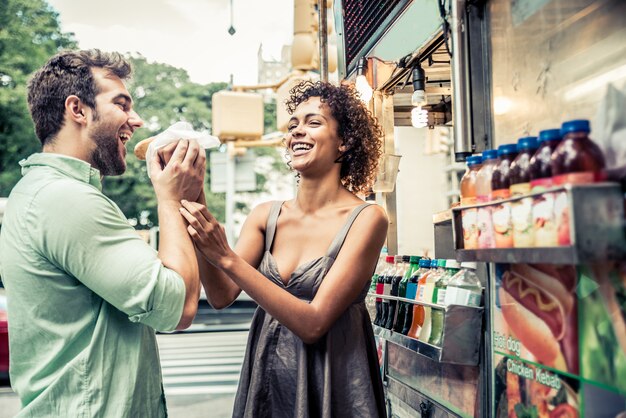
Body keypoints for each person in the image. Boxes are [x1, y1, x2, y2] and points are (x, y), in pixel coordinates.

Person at [0, 49, 204, 416]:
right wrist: (169, 197)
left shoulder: (43, 191)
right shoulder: (65, 198)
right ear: (77, 109)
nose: (136, 120)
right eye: (122, 105)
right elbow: (178, 308)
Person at [179, 80, 388, 417]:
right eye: (293, 125)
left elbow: (313, 324)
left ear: (344, 142)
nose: (297, 133)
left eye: (313, 122)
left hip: (332, 385)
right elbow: (220, 295)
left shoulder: (366, 218)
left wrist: (227, 257)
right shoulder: (267, 216)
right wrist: (193, 196)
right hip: (269, 380)